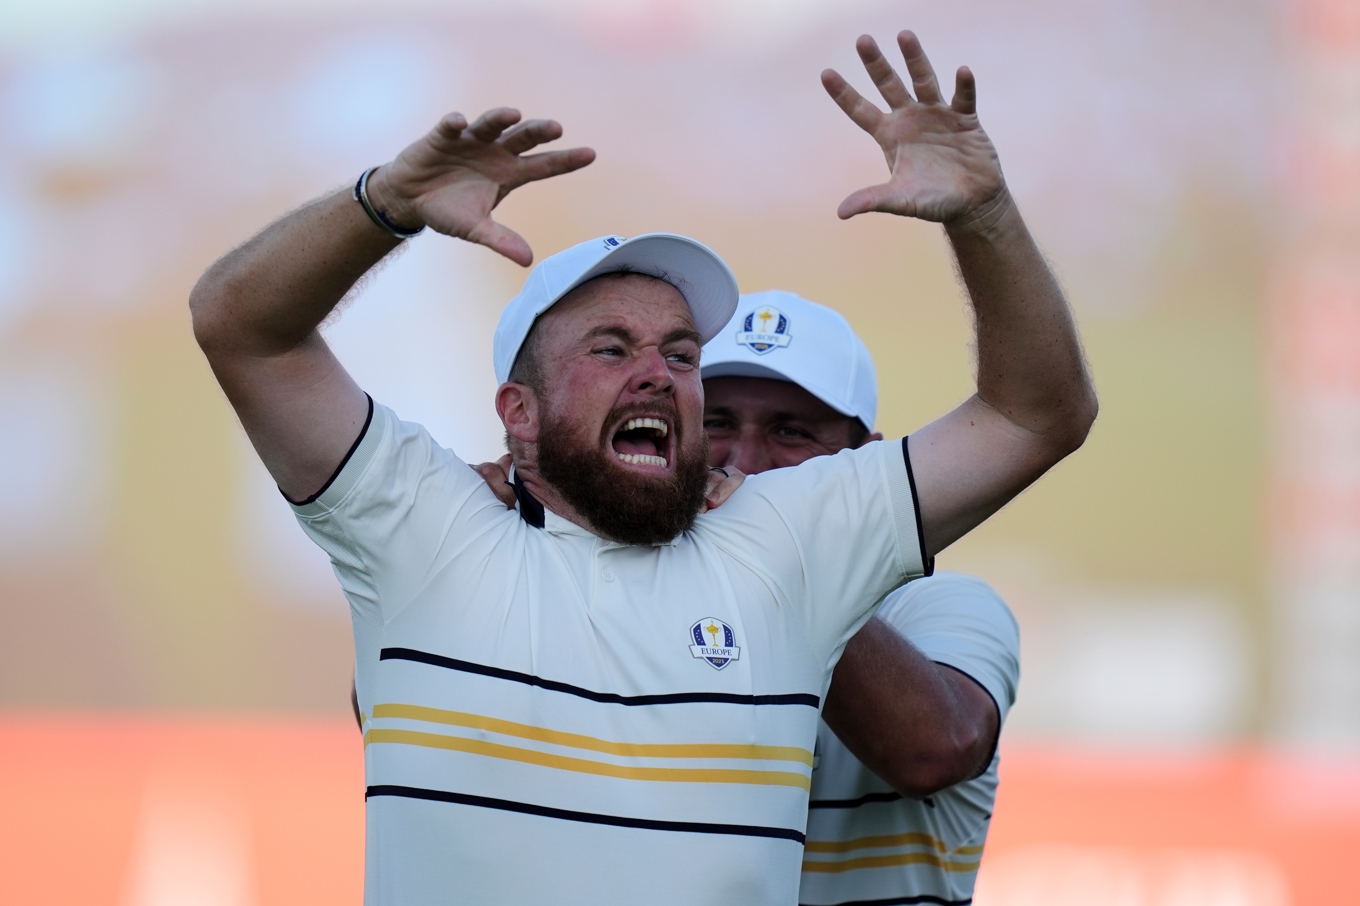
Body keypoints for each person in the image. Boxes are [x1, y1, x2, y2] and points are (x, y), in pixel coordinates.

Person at [190, 29, 1094, 906]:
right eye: (612, 348)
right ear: (520, 415)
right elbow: (243, 329)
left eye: (681, 353)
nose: (659, 372)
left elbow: (1037, 414)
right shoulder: (424, 529)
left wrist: (984, 215)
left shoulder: (786, 546)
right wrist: (382, 204)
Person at [701, 291, 1019, 906]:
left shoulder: (944, 607)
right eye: (716, 422)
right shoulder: (625, 590)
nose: (743, 460)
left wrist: (776, 556)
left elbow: (935, 750)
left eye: (790, 431)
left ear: (868, 462)